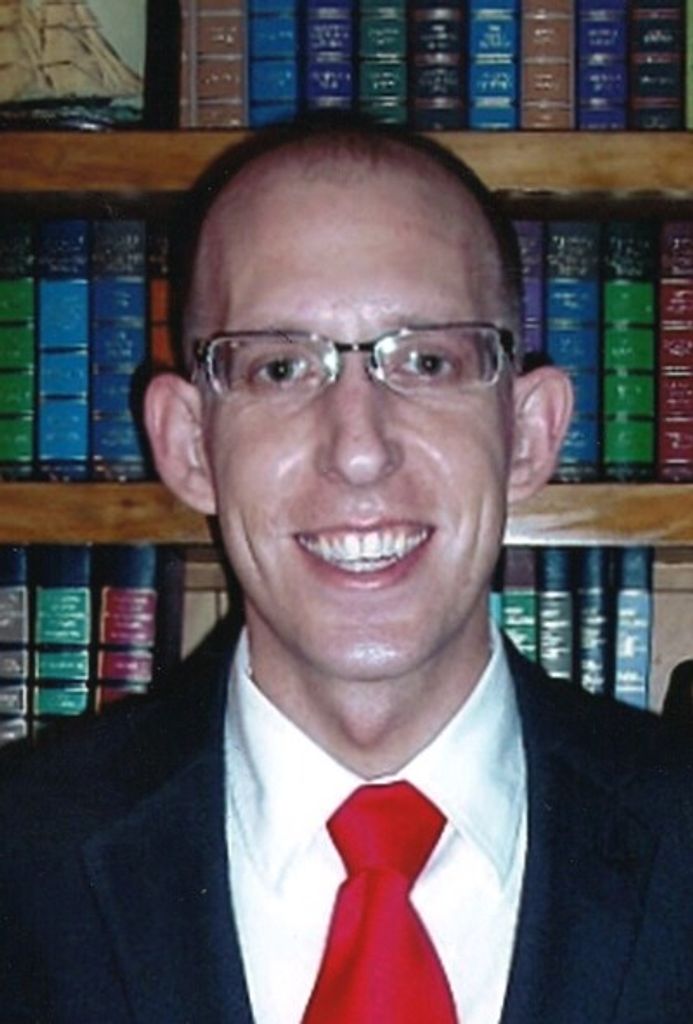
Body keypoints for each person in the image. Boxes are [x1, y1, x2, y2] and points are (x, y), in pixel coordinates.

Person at [1, 116, 692, 1024]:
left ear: (528, 433)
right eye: (279, 368)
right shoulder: (21, 865)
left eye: (427, 361)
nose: (359, 450)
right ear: (188, 443)